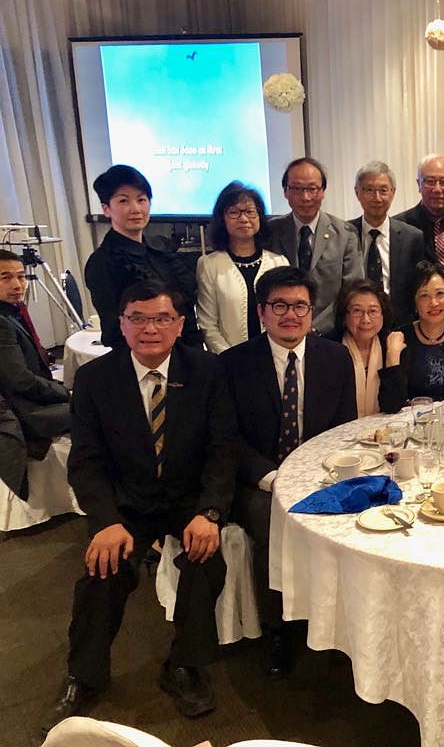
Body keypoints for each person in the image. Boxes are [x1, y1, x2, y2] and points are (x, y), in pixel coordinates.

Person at [43, 281, 236, 732]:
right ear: (122, 324)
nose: (150, 328)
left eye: (162, 318)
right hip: (126, 500)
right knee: (102, 571)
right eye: (138, 318)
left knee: (206, 562)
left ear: (180, 325)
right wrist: (105, 522)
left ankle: (185, 664)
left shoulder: (207, 371)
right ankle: (84, 674)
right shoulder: (95, 379)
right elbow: (86, 461)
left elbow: (223, 449)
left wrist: (209, 512)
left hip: (188, 498)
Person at [221, 266, 357, 677]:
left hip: (319, 472)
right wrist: (273, 478)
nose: (291, 315)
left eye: (300, 306)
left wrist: (320, 475)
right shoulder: (233, 364)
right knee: (274, 522)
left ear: (312, 312)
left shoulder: (335, 357)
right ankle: (279, 627)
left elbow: (344, 428)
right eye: (279, 305)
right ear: (261, 312)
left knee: (355, 515)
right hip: (259, 479)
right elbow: (227, 438)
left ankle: (340, 619)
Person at [84, 165, 202, 349]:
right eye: (123, 201)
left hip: (186, 353)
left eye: (141, 200)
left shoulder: (161, 249)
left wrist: (195, 356)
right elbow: (115, 331)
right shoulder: (102, 262)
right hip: (143, 357)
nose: (135, 209)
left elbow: (187, 312)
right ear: (106, 209)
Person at [263, 157, 363, 337]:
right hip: (282, 331)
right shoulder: (270, 232)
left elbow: (351, 290)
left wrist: (314, 327)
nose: (305, 197)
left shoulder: (345, 234)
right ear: (285, 192)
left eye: (312, 189)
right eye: (297, 189)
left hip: (330, 335)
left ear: (323, 191)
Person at [195, 182, 289, 353]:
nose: (244, 219)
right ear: (222, 219)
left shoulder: (279, 263)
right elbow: (208, 325)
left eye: (250, 211)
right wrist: (231, 358)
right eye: (234, 212)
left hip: (276, 358)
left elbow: (285, 316)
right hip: (228, 360)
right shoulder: (209, 265)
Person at [0, 250, 70, 457]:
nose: (17, 285)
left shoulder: (10, 313)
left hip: (30, 399)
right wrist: (63, 392)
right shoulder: (2, 323)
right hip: (24, 413)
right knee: (102, 406)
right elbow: (20, 381)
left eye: (21, 277)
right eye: (6, 278)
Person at [384, 261, 444, 405]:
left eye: (440, 293)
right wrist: (392, 356)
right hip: (409, 417)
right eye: (424, 295)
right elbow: (391, 403)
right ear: (414, 301)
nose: (433, 303)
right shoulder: (400, 338)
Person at [347, 161, 427, 327]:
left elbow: (417, 287)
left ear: (393, 193)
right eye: (369, 190)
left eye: (383, 190)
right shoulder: (344, 233)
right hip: (356, 325)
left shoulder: (412, 237)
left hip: (399, 325)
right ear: (357, 192)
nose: (377, 198)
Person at [333, 278, 405, 417]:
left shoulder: (392, 344)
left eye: (373, 311)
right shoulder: (330, 348)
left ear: (383, 314)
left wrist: (392, 358)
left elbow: (393, 406)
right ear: (344, 316)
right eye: (357, 311)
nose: (365, 319)